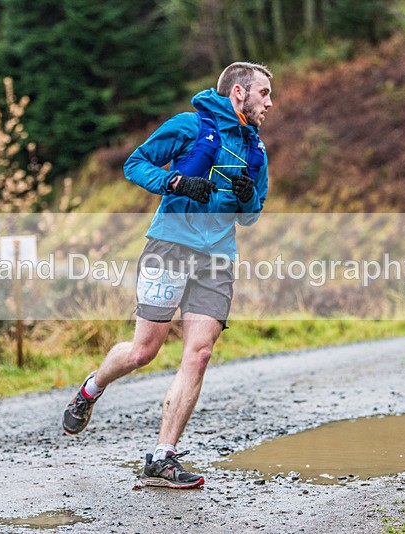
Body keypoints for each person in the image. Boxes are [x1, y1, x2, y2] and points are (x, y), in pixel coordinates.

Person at [62, 62, 273, 489]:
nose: (270, 102)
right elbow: (135, 165)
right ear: (239, 92)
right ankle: (91, 388)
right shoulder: (188, 126)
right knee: (144, 352)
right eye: (264, 93)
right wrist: (176, 182)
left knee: (200, 352)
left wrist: (249, 199)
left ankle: (162, 456)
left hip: (217, 258)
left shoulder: (256, 151)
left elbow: (251, 217)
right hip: (170, 247)